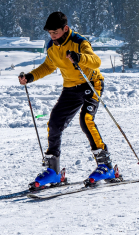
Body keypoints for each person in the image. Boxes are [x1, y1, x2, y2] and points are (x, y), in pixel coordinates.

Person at [19, 11, 116, 189]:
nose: (52, 36)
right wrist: (31, 77)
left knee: (86, 120)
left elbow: (96, 62)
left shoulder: (79, 42)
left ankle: (106, 165)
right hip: (70, 88)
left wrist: (80, 58)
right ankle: (54, 172)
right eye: (49, 33)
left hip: (91, 84)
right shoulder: (52, 47)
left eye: (55, 32)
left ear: (65, 29)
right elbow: (48, 66)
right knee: (55, 122)